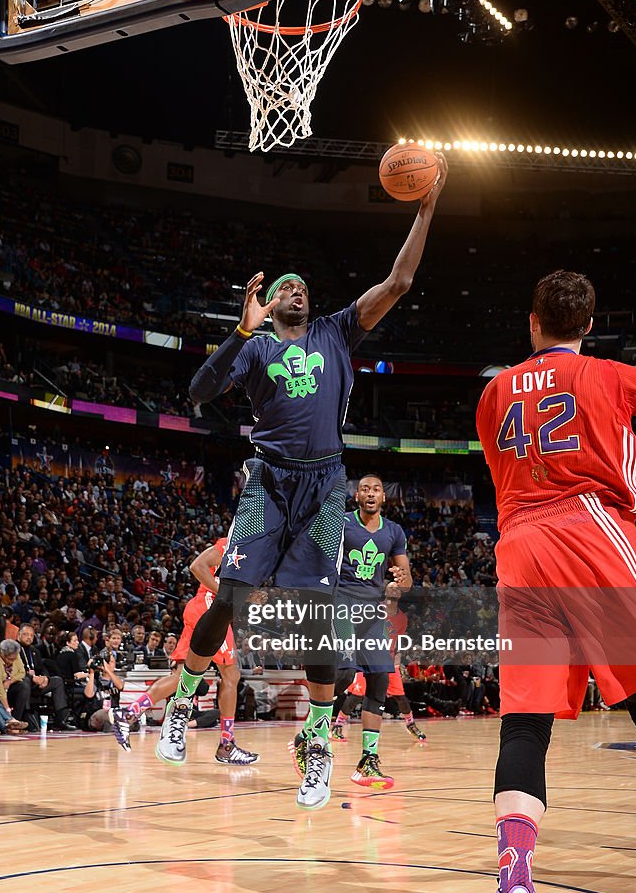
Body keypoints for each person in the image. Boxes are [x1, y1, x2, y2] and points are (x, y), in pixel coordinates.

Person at [156, 160, 448, 810]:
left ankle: (315, 743)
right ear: (268, 300)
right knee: (228, 598)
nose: (295, 288)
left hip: (322, 489)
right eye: (284, 284)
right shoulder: (256, 345)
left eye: (302, 285)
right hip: (266, 481)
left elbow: (399, 280)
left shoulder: (336, 331)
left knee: (318, 625)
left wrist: (426, 206)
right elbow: (199, 392)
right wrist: (241, 328)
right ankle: (180, 705)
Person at [471, 270, 636, 893]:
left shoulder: (492, 393)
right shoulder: (610, 374)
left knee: (524, 726)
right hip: (592, 533)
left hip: (520, 548)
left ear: (532, 323)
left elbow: (501, 476)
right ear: (589, 326)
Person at [110, 536, 258, 765]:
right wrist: (225, 595)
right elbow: (196, 566)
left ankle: (129, 713)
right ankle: (226, 744)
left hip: (201, 608)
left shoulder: (256, 552)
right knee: (231, 675)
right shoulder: (232, 542)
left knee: (181, 677)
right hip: (209, 607)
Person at [312, 475, 414, 790]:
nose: (371, 493)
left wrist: (400, 579)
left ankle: (368, 761)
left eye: (377, 489)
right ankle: (310, 737)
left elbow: (406, 579)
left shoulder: (394, 532)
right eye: (365, 489)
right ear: (356, 496)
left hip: (371, 612)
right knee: (343, 672)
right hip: (341, 604)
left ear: (384, 497)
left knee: (380, 680)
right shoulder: (341, 523)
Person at [331, 587, 426, 751]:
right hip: (367, 657)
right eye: (391, 588)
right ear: (385, 592)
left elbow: (397, 639)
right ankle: (337, 726)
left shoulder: (402, 618)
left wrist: (398, 657)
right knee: (357, 695)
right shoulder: (374, 609)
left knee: (400, 697)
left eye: (396, 589)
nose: (394, 591)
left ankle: (411, 724)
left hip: (388, 661)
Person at [18, 625, 77, 730]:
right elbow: (14, 670)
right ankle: (27, 717)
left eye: (31, 635)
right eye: (26, 634)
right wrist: (31, 678)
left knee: (57, 681)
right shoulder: (14, 649)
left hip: (37, 684)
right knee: (26, 681)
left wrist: (45, 678)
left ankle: (60, 719)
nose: (29, 637)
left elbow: (42, 668)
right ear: (19, 635)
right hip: (21, 684)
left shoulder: (35, 651)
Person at [0, 639, 31, 724]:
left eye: (14, 659)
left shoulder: (15, 654)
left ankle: (16, 721)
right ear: (2, 654)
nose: (12, 662)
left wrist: (10, 681)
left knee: (24, 686)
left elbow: (22, 673)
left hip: (8, 685)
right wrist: (7, 709)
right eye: (10, 659)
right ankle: (9, 721)